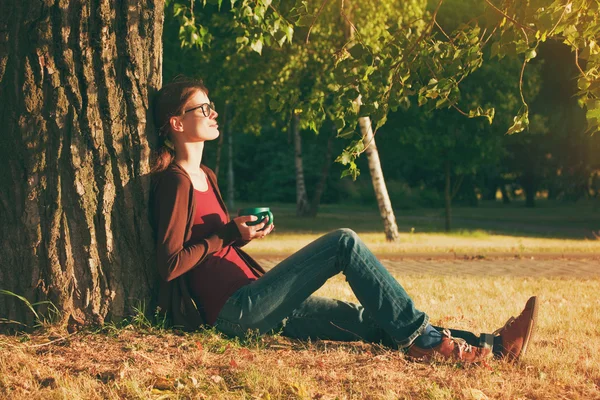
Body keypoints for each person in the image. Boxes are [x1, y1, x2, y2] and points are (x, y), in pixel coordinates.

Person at [149, 78, 539, 363]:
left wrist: (241, 235)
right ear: (177, 123)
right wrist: (227, 234)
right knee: (343, 242)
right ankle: (429, 342)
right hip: (236, 312)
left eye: (211, 105)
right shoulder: (177, 182)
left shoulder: (207, 176)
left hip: (259, 296)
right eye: (203, 108)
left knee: (369, 320)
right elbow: (169, 264)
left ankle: (495, 346)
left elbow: (213, 245)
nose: (213, 113)